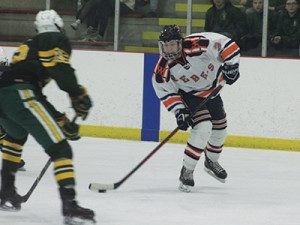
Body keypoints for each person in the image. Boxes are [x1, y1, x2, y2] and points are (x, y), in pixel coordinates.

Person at [0, 10, 95, 224]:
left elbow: (34, 93)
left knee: (14, 138)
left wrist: (59, 120)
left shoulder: (27, 46)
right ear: (59, 27)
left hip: (5, 98)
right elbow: (59, 70)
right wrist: (77, 93)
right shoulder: (54, 39)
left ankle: (6, 192)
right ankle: (69, 206)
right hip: (20, 94)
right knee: (61, 149)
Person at [152, 25, 241, 192]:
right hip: (189, 96)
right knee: (203, 128)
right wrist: (179, 110)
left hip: (213, 91)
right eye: (165, 45)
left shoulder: (197, 44)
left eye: (172, 44)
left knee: (220, 129)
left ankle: (211, 161)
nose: (168, 49)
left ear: (180, 42)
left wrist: (232, 66)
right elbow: (165, 91)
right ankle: (187, 170)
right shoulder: (162, 68)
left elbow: (227, 45)